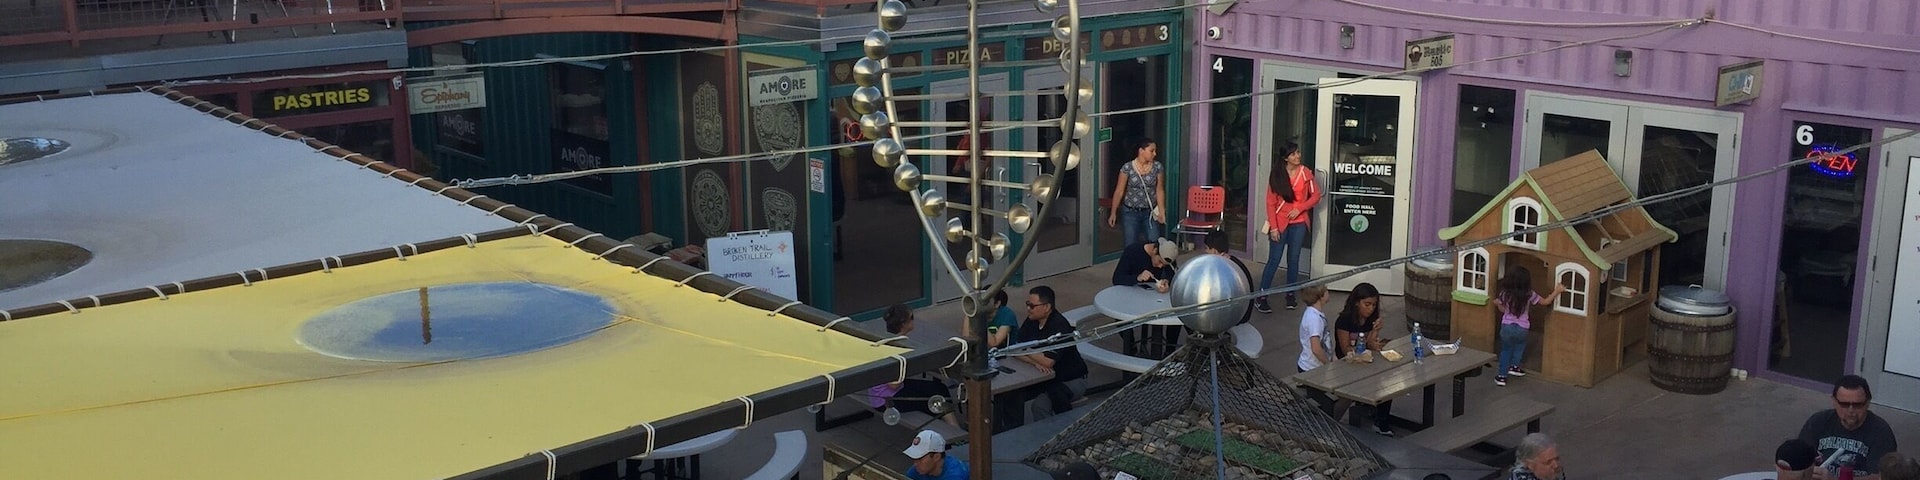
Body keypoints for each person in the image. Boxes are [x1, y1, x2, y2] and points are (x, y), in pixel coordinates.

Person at [869, 304, 961, 427]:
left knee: (939, 389)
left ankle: (952, 428)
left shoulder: (887, 339)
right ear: (903, 323)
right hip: (886, 400)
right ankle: (954, 432)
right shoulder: (895, 347)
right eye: (912, 317)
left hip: (889, 392)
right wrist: (911, 365)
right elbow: (893, 385)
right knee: (935, 397)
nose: (914, 319)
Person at [1256, 142, 1320, 313]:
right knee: (1274, 260)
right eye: (1293, 154)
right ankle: (1262, 296)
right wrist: (1274, 228)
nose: (1297, 156)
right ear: (1285, 158)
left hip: (1298, 223)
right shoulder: (1277, 175)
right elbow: (1270, 203)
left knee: (1294, 259)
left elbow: (1316, 196)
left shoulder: (1306, 173)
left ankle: (1290, 294)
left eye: (1298, 152)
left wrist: (1300, 208)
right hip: (1280, 223)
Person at [1799, 375, 1900, 478]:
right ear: (1834, 401)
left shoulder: (1881, 432)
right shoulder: (1818, 422)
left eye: (1857, 405)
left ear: (1868, 403)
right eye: (1844, 404)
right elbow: (1799, 460)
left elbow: (1880, 477)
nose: (1851, 410)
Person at [1017, 286, 1088, 420]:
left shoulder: (1059, 326)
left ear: (1047, 307)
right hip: (1045, 376)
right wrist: (1035, 362)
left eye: (1032, 306)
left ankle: (1052, 437)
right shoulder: (1032, 320)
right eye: (1027, 304)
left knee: (1040, 406)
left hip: (1071, 380)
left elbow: (1048, 362)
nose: (1028, 309)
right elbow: (1015, 349)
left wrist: (1027, 351)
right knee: (1012, 396)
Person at [1333, 282, 1394, 436]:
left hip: (1365, 361)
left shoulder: (1371, 318)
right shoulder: (1344, 320)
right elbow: (1344, 349)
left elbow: (1372, 345)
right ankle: (1331, 422)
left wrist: (1375, 331)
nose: (1370, 308)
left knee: (1387, 382)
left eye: (1373, 305)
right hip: (1345, 364)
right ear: (1356, 302)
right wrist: (1367, 346)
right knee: (1346, 395)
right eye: (1367, 304)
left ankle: (1381, 424)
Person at [1493, 266, 1564, 387]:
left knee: (1506, 350)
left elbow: (1503, 309)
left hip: (1507, 327)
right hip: (1523, 327)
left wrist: (1497, 304)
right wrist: (1557, 291)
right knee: (1520, 346)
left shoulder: (1504, 293)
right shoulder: (1529, 293)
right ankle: (1515, 366)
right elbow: (1546, 302)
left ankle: (1502, 376)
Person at [1106, 138, 1166, 248]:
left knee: (1154, 242)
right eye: (1151, 151)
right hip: (1130, 212)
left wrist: (1161, 211)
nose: (1155, 154)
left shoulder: (1157, 167)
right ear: (1141, 151)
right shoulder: (1127, 168)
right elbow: (1119, 191)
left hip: (1150, 211)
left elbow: (1159, 189)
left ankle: (1151, 264)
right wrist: (1113, 212)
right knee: (1130, 243)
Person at [1203, 230, 1254, 326]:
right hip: (1242, 313)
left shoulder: (1224, 269)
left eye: (1207, 248)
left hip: (1236, 317)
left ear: (1214, 250)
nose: (1205, 251)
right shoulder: (1233, 263)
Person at [1111, 239, 1175, 292]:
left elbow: (1172, 275)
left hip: (1150, 294)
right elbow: (1117, 279)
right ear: (1155, 251)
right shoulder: (1132, 252)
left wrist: (1166, 281)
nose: (1160, 266)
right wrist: (1138, 277)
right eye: (1160, 262)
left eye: (1164, 265)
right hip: (1129, 292)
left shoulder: (1167, 254)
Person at [903, 430, 968, 480]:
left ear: (936, 457)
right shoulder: (920, 468)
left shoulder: (954, 476)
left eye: (920, 459)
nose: (915, 464)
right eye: (915, 458)